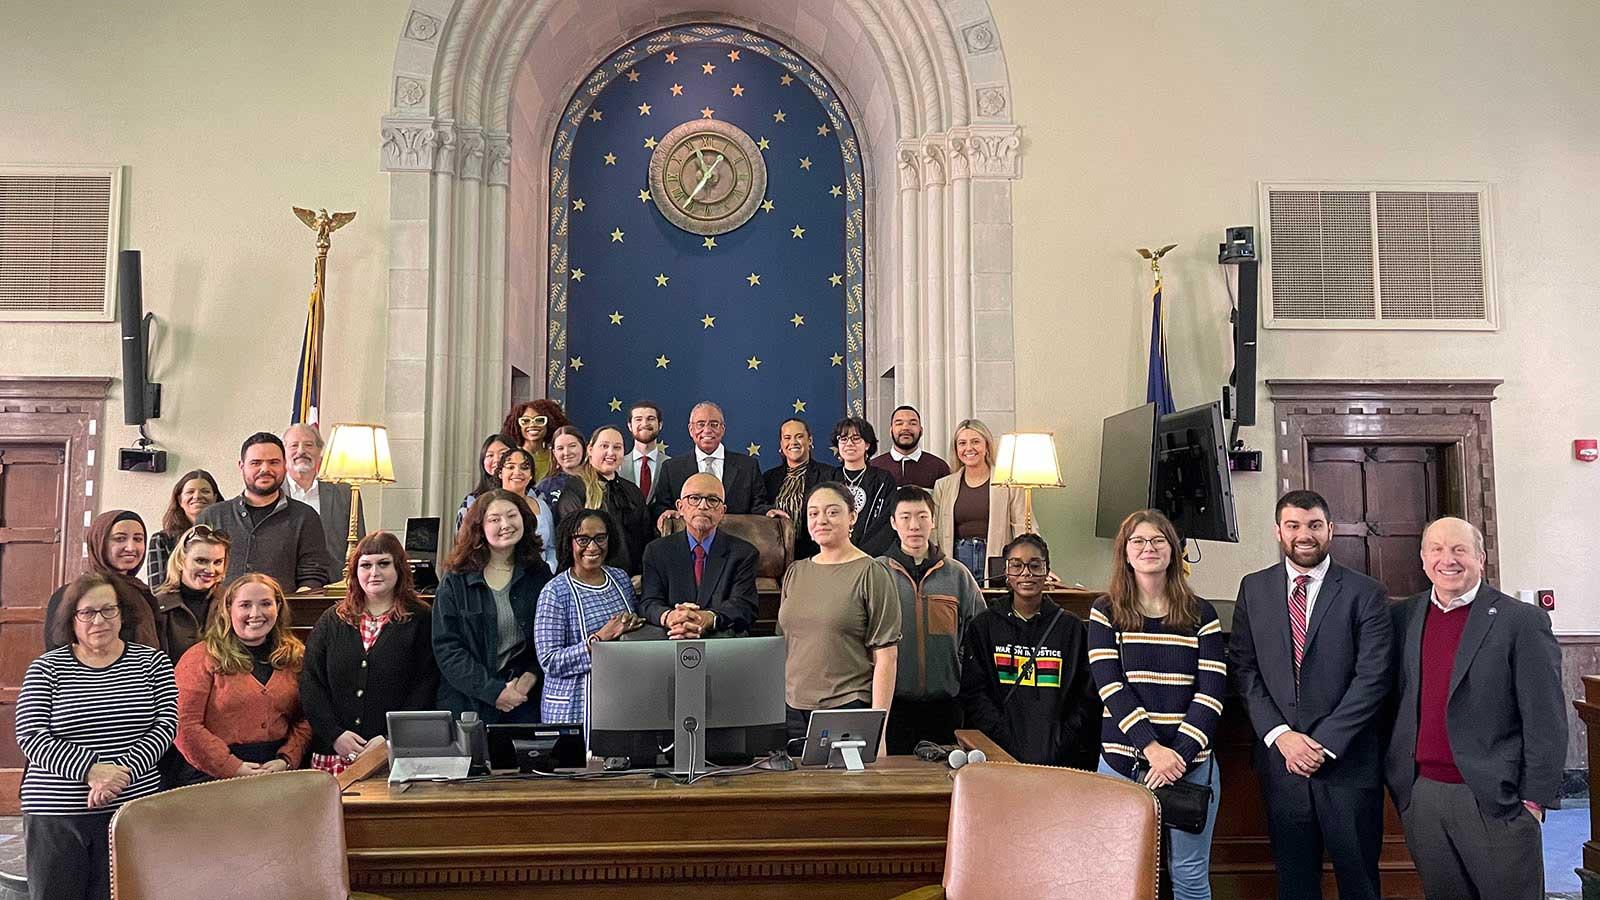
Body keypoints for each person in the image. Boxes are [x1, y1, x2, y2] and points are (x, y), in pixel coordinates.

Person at [1384, 517, 1565, 900]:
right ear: (1423, 559)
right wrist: (1403, 786)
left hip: (1495, 799)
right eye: (1437, 549)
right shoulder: (1403, 617)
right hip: (1423, 797)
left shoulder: (1521, 621)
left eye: (1459, 549)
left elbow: (1546, 718)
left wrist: (1533, 799)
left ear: (1480, 558)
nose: (1447, 559)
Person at [1229, 490, 1393, 900]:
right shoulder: (1254, 588)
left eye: (1314, 525)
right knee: (1295, 883)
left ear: (1331, 530)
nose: (1305, 535)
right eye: (1294, 525)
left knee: (1359, 883)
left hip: (1346, 765)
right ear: (1278, 531)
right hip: (1282, 765)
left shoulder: (1366, 592)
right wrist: (1281, 736)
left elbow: (1373, 677)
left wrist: (1323, 743)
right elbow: (1244, 669)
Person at [1089, 510, 1226, 900]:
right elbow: (1110, 686)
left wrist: (1176, 757)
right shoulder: (1106, 610)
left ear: (1173, 551)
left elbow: (1211, 692)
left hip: (1191, 767)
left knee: (1189, 876)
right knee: (1120, 877)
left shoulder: (1203, 613)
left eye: (1158, 541)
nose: (1148, 549)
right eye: (1138, 542)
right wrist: (1152, 750)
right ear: (1125, 554)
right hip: (1122, 764)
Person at [16, 573, 178, 900]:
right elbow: (31, 734)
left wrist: (120, 772)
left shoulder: (152, 662)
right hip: (56, 813)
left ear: (122, 614)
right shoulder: (46, 668)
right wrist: (92, 770)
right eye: (87, 613)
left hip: (131, 809)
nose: (98, 620)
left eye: (108, 610)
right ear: (71, 619)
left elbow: (166, 724)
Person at [300, 531, 438, 774]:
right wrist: (334, 734)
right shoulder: (332, 620)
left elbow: (425, 686)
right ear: (355, 572)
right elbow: (311, 683)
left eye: (383, 563)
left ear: (399, 568)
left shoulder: (422, 619)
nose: (374, 573)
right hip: (333, 752)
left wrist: (389, 738)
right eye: (365, 565)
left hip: (393, 753)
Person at [777, 482, 901, 752]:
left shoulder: (872, 572)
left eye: (832, 512)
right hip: (791, 711)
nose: (821, 520)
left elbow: (886, 657)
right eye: (813, 513)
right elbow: (783, 644)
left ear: (852, 517)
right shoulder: (795, 572)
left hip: (846, 707)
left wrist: (878, 730)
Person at [959, 534, 1098, 767]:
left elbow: (1086, 697)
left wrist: (1061, 740)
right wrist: (1002, 738)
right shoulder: (984, 627)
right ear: (1007, 572)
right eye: (1017, 565)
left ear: (1047, 571)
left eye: (1035, 565)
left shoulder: (1071, 629)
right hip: (997, 754)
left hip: (1059, 758)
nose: (1026, 573)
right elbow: (974, 694)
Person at [172, 573, 312, 784]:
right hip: (211, 776)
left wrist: (287, 758)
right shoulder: (200, 657)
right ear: (229, 610)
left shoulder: (295, 656)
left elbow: (309, 716)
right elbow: (183, 724)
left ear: (278, 608)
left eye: (265, 604)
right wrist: (232, 767)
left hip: (278, 771)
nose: (256, 613)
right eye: (245, 605)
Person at [879, 485, 985, 754]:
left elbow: (979, 634)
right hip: (892, 705)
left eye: (922, 516)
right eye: (905, 517)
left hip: (946, 705)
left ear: (933, 521)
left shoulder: (957, 575)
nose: (914, 525)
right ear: (893, 522)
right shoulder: (876, 573)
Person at [433, 489, 553, 724]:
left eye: (512, 515)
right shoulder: (456, 579)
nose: (506, 524)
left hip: (523, 698)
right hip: (468, 703)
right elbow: (447, 647)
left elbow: (549, 638)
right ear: (479, 528)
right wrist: (493, 691)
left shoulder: (539, 575)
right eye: (494, 519)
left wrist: (531, 675)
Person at [534, 509, 643, 725]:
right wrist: (599, 639)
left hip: (618, 700)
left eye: (600, 538)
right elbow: (549, 662)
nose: (592, 547)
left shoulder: (620, 578)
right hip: (573, 707)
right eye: (583, 539)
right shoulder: (555, 591)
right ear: (569, 542)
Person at [196, 431, 332, 591]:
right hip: (219, 613)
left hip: (281, 613)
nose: (265, 469)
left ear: (285, 466)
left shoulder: (305, 517)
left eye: (274, 462)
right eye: (256, 463)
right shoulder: (212, 516)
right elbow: (195, 569)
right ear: (241, 466)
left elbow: (313, 574)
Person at [638, 473, 762, 638]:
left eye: (712, 500)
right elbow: (648, 603)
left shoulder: (743, 553)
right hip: (671, 638)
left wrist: (707, 619)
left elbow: (744, 606)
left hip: (721, 641)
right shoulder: (656, 551)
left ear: (722, 511)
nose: (703, 506)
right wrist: (671, 617)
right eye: (694, 498)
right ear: (680, 507)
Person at [44, 510, 160, 652]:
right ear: (99, 542)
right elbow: (57, 654)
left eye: (138, 539)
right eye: (120, 539)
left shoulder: (143, 594)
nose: (131, 547)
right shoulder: (70, 595)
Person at [652, 401, 774, 529]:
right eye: (700, 424)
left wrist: (768, 512)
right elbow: (661, 506)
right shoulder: (671, 468)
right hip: (688, 543)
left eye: (714, 424)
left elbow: (758, 505)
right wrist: (665, 513)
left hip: (736, 541)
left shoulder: (748, 466)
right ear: (691, 429)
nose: (707, 430)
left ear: (723, 429)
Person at [931, 419, 1026, 581]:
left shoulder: (1009, 482)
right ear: (956, 449)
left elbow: (1022, 525)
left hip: (995, 559)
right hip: (956, 559)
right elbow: (933, 530)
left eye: (975, 442)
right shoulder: (943, 485)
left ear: (987, 446)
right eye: (962, 443)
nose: (968, 448)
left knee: (993, 605)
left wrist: (1032, 562)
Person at [556, 425, 651, 575]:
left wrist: (643, 575)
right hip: (592, 580)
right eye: (604, 446)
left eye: (617, 447)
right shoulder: (576, 489)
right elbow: (572, 544)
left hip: (634, 581)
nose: (611, 452)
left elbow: (646, 536)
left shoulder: (632, 491)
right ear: (590, 450)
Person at [283, 422, 366, 573]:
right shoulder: (272, 492)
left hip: (332, 584)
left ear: (319, 451)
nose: (301, 451)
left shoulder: (345, 493)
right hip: (284, 584)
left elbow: (360, 545)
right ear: (284, 453)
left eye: (309, 445)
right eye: (294, 445)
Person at [151, 524, 230, 664]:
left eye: (218, 562)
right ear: (181, 560)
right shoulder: (158, 606)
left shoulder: (231, 603)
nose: (210, 570)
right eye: (201, 561)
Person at [761, 417, 837, 559]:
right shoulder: (768, 478)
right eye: (787, 438)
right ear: (781, 444)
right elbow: (759, 509)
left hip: (815, 555)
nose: (793, 442)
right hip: (775, 556)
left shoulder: (829, 475)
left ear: (810, 441)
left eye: (799, 436)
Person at [830, 416, 897, 557]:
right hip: (834, 555)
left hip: (873, 558)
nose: (849, 444)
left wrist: (860, 554)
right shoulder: (829, 479)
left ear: (867, 444)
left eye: (856, 438)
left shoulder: (883, 479)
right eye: (843, 439)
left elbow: (885, 524)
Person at [144, 468, 221, 588]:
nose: (197, 496)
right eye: (190, 492)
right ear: (180, 500)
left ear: (215, 498)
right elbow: (157, 590)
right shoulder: (162, 540)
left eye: (205, 491)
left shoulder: (226, 537)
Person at [494, 445, 558, 571]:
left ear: (531, 475)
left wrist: (549, 568)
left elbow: (551, 547)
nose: (517, 472)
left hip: (540, 578)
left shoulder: (542, 506)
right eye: (511, 467)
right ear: (500, 473)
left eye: (524, 467)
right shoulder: (489, 505)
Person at [870, 405, 951, 489]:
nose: (905, 428)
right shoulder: (873, 467)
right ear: (891, 431)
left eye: (912, 423)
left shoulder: (939, 467)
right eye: (899, 423)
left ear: (921, 431)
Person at [500, 399, 570, 483]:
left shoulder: (556, 457)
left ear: (550, 423)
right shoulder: (511, 456)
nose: (532, 425)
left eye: (539, 420)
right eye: (525, 421)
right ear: (517, 425)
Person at [457, 433, 514, 532]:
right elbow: (461, 540)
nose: (496, 460)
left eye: (503, 454)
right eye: (490, 455)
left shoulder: (533, 495)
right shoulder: (472, 501)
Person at [534, 425, 596, 513]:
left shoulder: (599, 481)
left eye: (572, 446)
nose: (566, 452)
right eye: (560, 448)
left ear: (583, 447)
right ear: (554, 453)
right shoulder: (545, 487)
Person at [620, 400, 669, 506]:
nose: (645, 424)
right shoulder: (618, 465)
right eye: (638, 419)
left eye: (650, 419)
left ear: (660, 425)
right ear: (629, 426)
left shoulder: (672, 465)